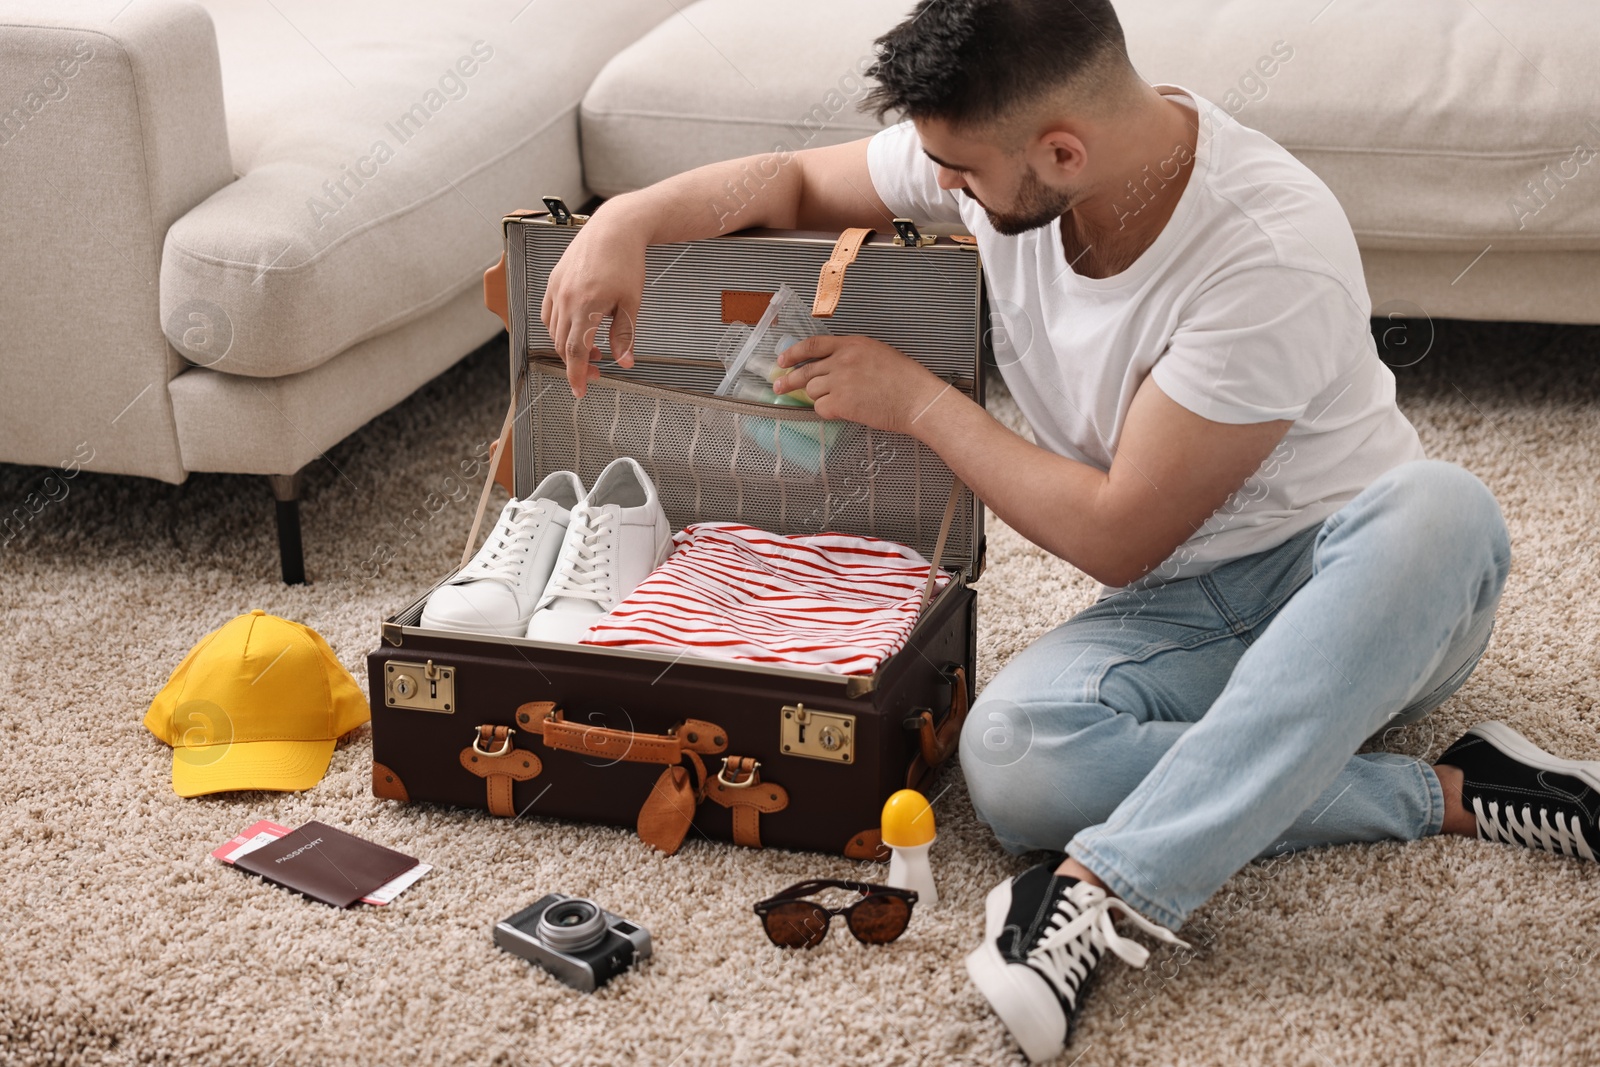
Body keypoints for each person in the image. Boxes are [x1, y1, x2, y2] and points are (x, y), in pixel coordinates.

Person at [541, 0, 1599, 1059]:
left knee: (1444, 506)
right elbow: (789, 180)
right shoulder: (1008, 155)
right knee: (1012, 758)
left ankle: (1095, 893)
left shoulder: (1268, 253)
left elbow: (1113, 535)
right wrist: (626, 218)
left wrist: (918, 402)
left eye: (959, 171)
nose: (940, 186)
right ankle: (1448, 789)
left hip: (1364, 585)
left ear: (1061, 149)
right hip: (1186, 609)